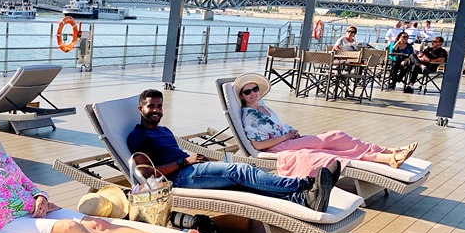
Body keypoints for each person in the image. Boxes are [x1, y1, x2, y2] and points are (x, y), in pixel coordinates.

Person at [0, 105, 200, 233]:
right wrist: (34, 203)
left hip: (38, 210)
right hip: (10, 223)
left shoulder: (3, 158)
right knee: (73, 228)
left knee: (99, 223)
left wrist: (40, 196)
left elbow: (28, 184)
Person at [126, 89, 336, 212]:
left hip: (190, 168)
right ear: (140, 109)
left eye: (159, 106)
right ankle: (305, 183)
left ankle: (304, 200)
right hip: (179, 178)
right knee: (241, 172)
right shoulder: (138, 137)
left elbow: (173, 154)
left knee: (244, 182)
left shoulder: (164, 130)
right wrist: (184, 162)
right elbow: (146, 175)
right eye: (151, 107)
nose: (156, 111)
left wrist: (196, 160)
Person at [234, 73, 418, 177]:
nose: (252, 93)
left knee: (335, 143)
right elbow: (257, 146)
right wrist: (287, 137)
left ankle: (388, 155)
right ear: (242, 96)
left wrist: (291, 134)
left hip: (288, 140)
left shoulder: (263, 107)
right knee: (334, 137)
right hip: (277, 147)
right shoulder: (249, 115)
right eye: (247, 91)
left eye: (255, 89)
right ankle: (388, 154)